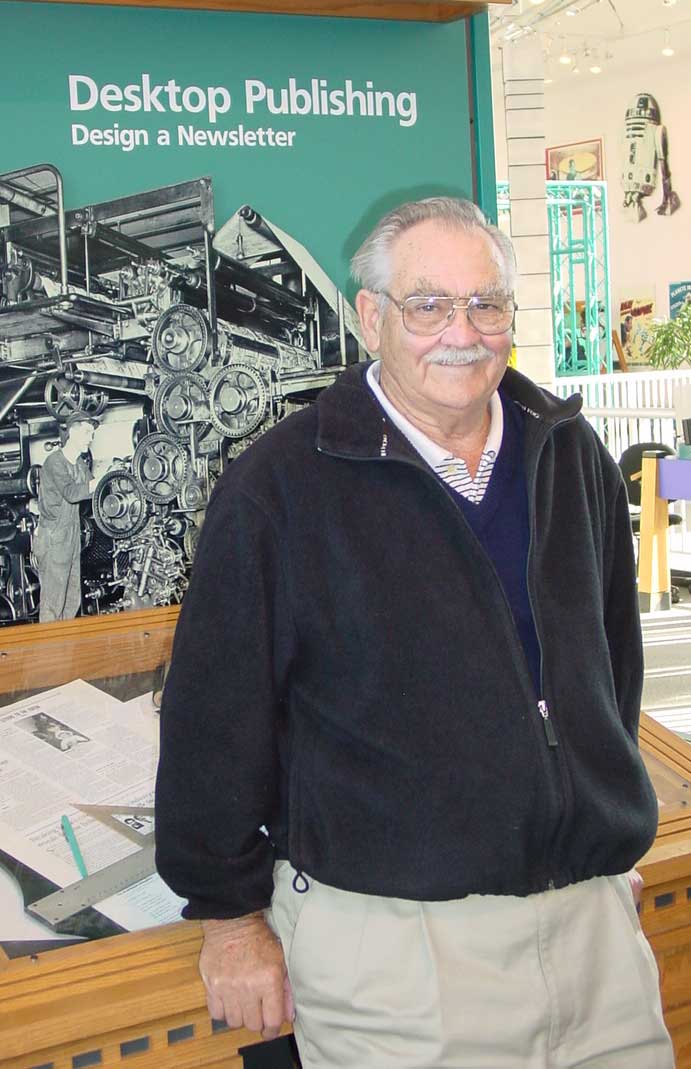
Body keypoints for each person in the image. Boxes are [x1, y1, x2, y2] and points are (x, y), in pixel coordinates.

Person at [155, 197, 673, 1068]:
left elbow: (610, 662)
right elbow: (214, 719)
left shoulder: (568, 452)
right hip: (397, 959)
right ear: (371, 319)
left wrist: (595, 811)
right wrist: (230, 919)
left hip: (593, 940)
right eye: (427, 305)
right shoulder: (279, 486)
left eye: (485, 304)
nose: (460, 333)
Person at [34, 410, 100, 622]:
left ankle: (66, 641)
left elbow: (93, 491)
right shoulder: (55, 462)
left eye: (92, 434)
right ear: (72, 432)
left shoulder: (79, 464)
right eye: (87, 432)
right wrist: (99, 481)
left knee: (72, 599)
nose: (91, 438)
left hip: (72, 536)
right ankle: (49, 643)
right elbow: (72, 493)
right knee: (53, 603)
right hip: (53, 537)